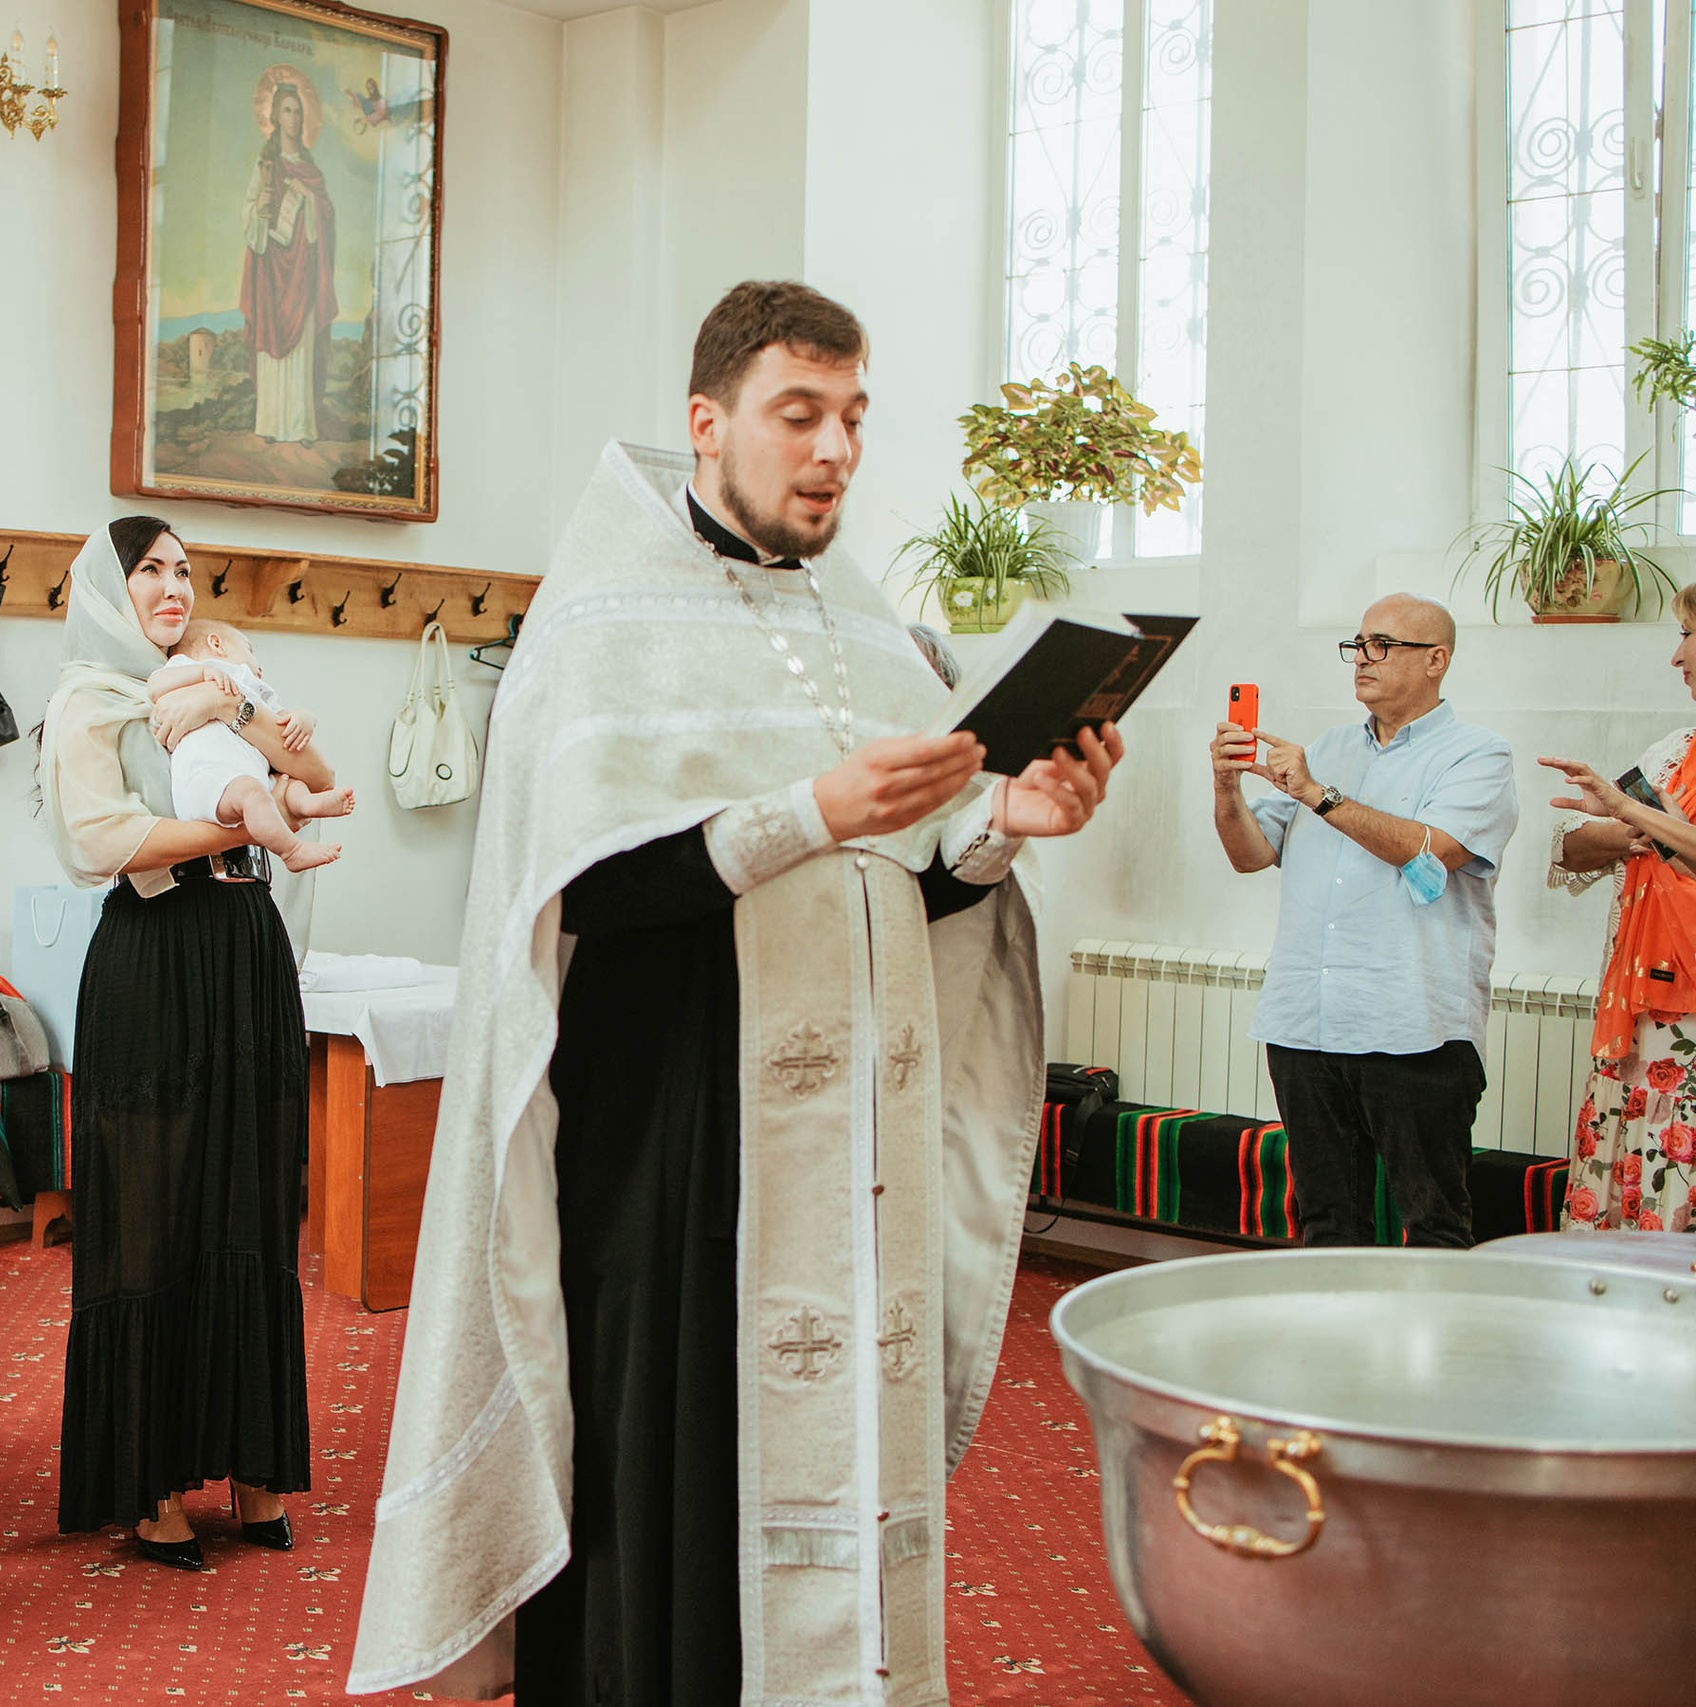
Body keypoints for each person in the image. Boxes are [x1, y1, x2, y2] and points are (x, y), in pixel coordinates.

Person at [351, 281, 1123, 1704]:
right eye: (798, 415)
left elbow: (910, 878)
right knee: (677, 1486)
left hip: (855, 1173)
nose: (832, 449)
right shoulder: (599, 625)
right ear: (706, 423)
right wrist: (808, 811)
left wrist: (1007, 821)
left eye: (852, 420)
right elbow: (573, 894)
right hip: (681, 1145)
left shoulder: (873, 632)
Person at [36, 517, 339, 1569]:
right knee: (153, 1216)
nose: (170, 588)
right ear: (108, 590)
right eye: (147, 571)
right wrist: (245, 826)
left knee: (252, 1198)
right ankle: (151, 1483)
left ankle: (255, 1469)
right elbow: (106, 842)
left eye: (182, 571)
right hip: (155, 967)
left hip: (245, 956)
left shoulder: (219, 680)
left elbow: (316, 766)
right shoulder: (90, 699)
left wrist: (253, 714)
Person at [1207, 594, 1518, 1247]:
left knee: (1431, 1222)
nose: (1363, 659)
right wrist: (1226, 788)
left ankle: (1434, 1352)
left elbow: (1434, 849)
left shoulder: (1478, 756)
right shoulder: (1327, 747)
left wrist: (1319, 793)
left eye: (1383, 644)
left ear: (1437, 660)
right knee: (1326, 1221)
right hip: (1307, 1021)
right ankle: (1334, 1349)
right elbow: (1250, 855)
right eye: (1358, 643)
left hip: (1412, 1026)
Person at [1544, 584, 1696, 1233]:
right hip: (1643, 1018)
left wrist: (1635, 813)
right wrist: (1617, 830)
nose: (1676, 656)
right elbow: (1569, 850)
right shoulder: (1671, 751)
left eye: (1688, 634)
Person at [149, 617, 354, 872]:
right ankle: (291, 850)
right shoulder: (192, 667)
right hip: (209, 779)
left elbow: (279, 721)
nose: (259, 665)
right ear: (216, 644)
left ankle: (306, 805)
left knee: (289, 783)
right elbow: (155, 686)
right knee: (252, 793)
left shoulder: (253, 688)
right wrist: (202, 673)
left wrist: (305, 718)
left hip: (248, 779)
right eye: (249, 649)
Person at [241, 75, 336, 444]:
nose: (294, 119)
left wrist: (309, 201)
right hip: (271, 270)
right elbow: (249, 209)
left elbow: (326, 214)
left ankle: (301, 426)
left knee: (302, 346)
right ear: (276, 117)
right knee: (273, 341)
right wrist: (261, 209)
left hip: (304, 268)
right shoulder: (265, 164)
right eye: (287, 111)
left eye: (298, 112)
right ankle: (269, 424)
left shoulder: (312, 172)